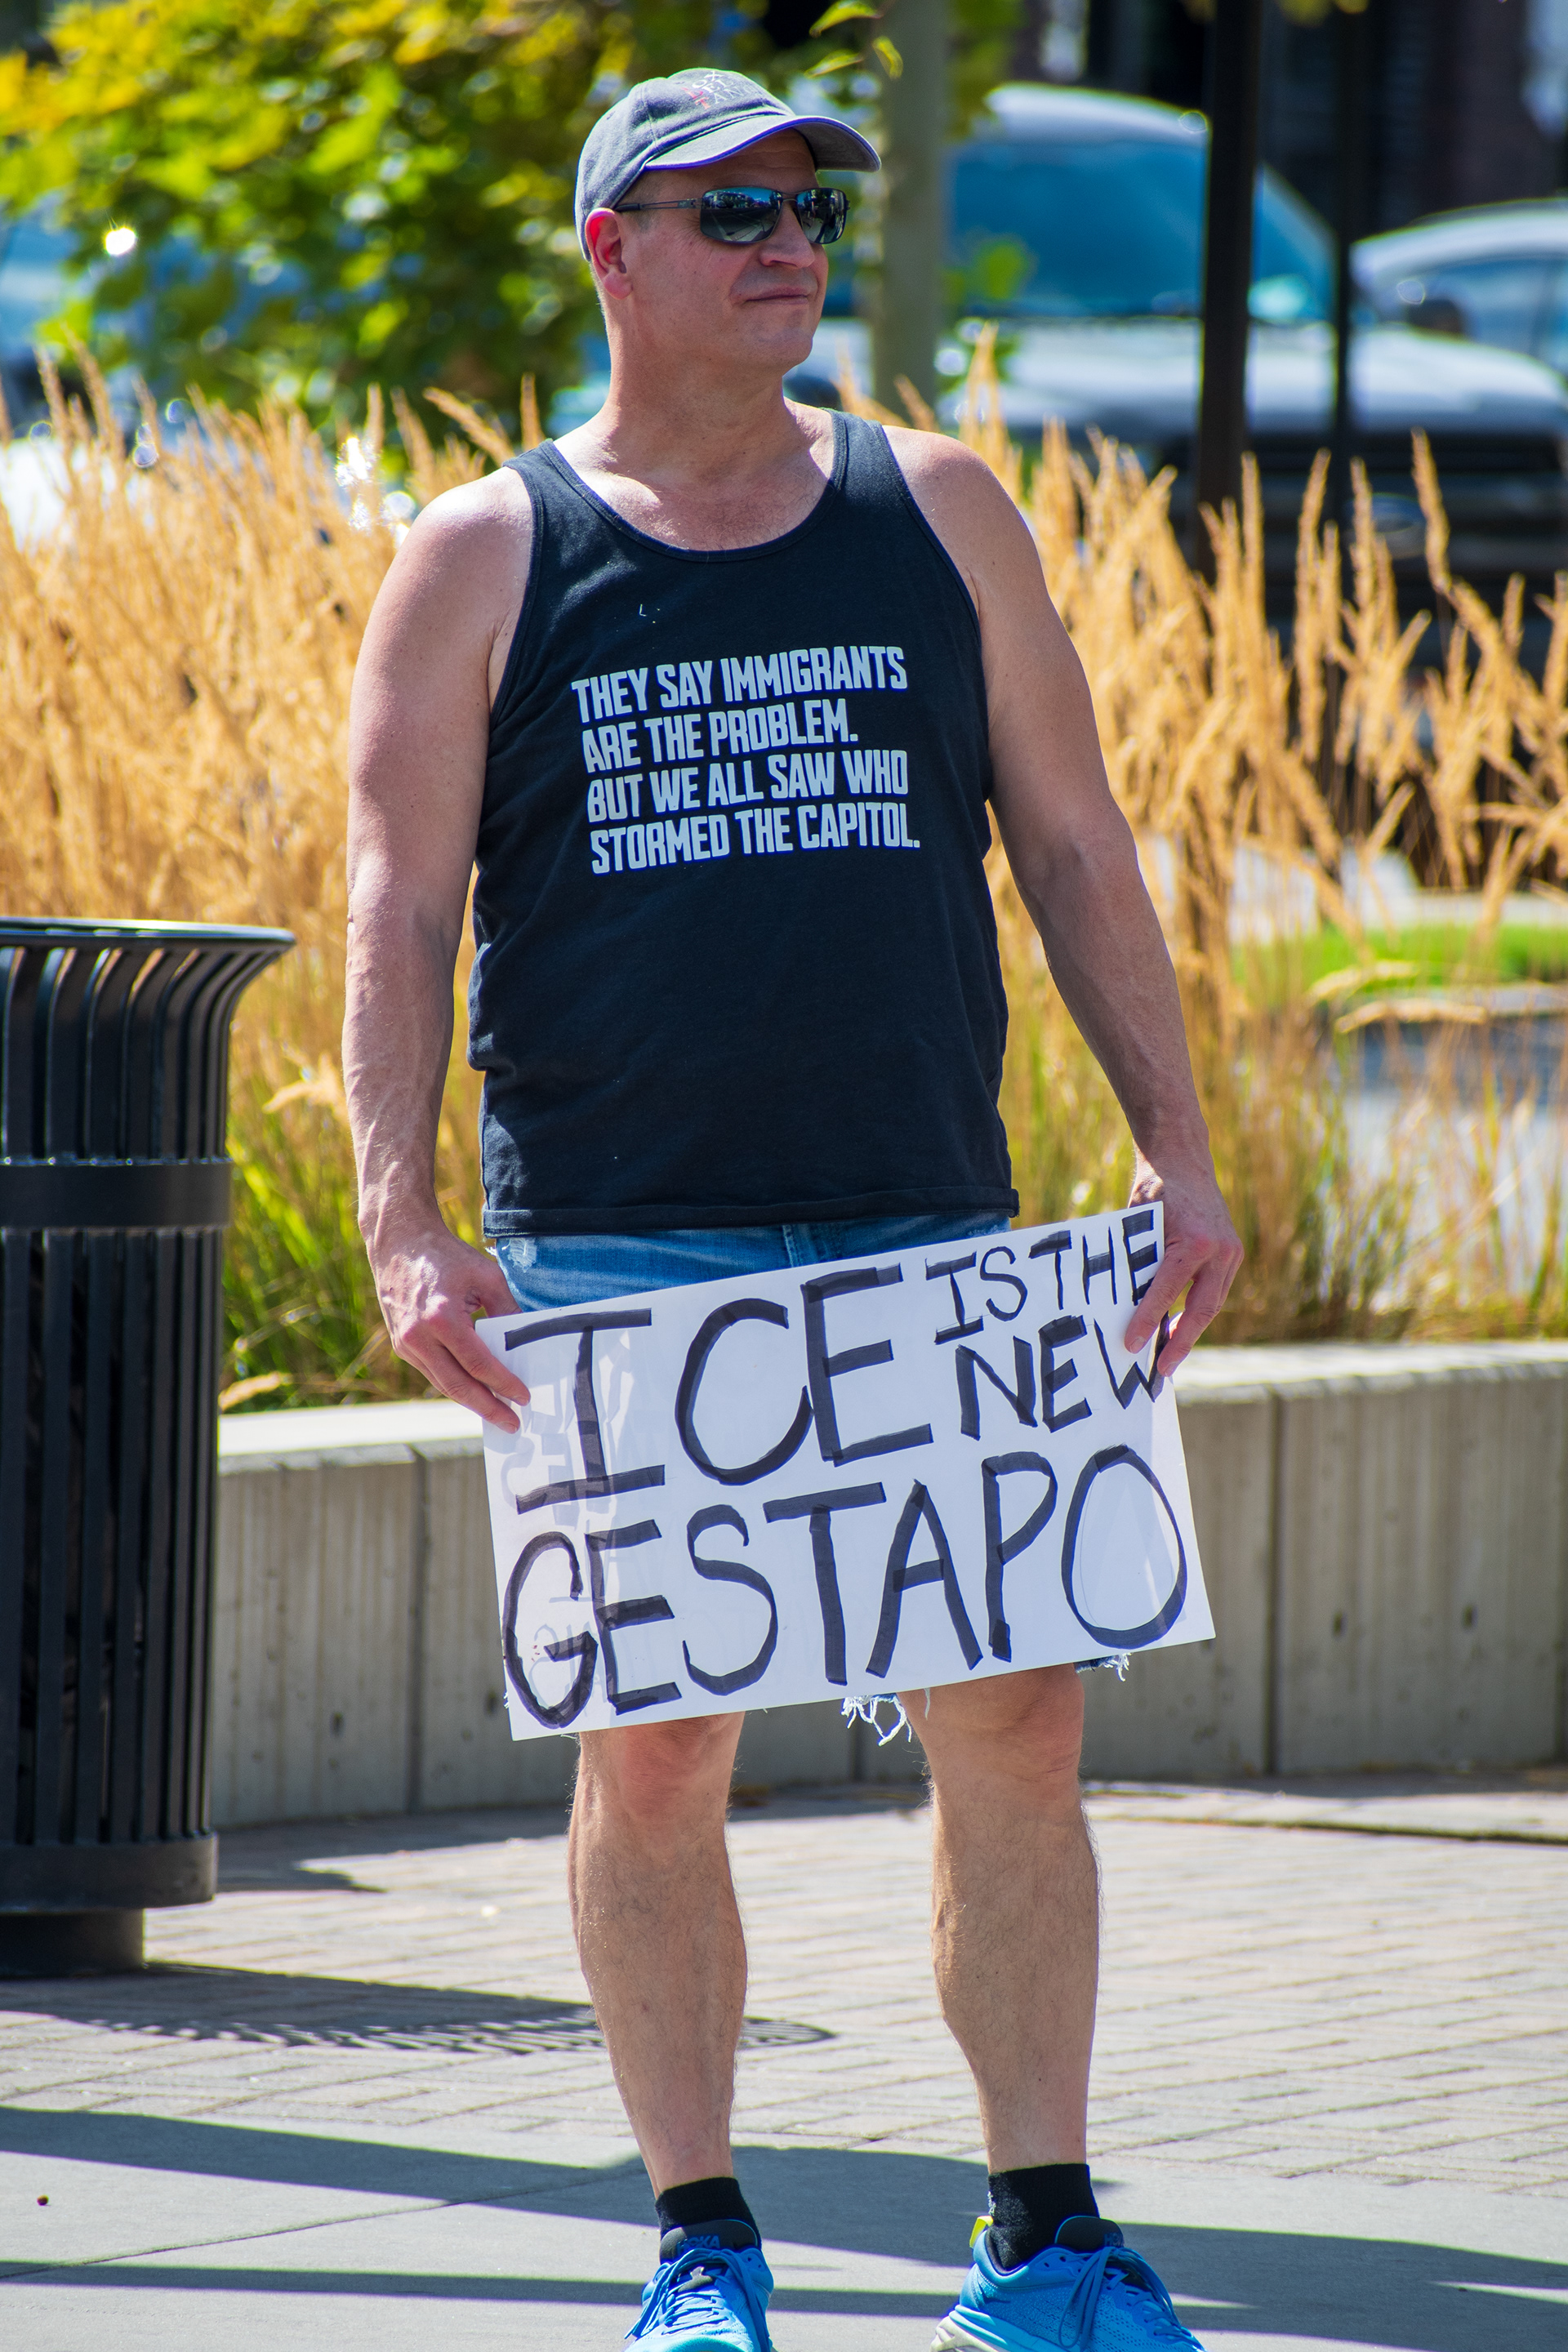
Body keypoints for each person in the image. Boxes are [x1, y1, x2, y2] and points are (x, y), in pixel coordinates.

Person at [344, 65, 1241, 2352]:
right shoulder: (486, 551)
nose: (787, 237)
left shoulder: (936, 509)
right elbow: (400, 905)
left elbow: (1069, 842)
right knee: (654, 1754)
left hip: (931, 1225)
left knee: (1017, 1719)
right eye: (727, 203)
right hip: (621, 1253)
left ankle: (1043, 2240)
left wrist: (1178, 1152)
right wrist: (402, 1219)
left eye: (809, 201)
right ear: (610, 254)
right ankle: (700, 2249)